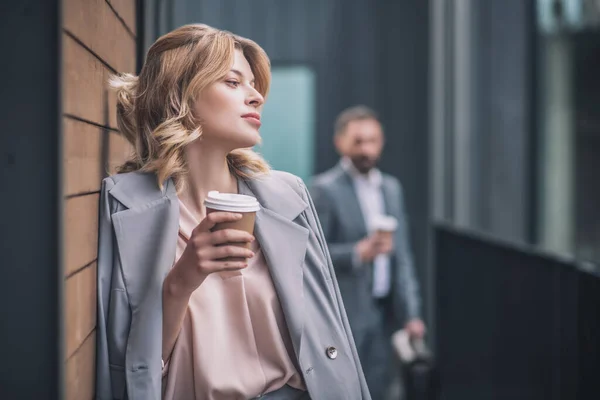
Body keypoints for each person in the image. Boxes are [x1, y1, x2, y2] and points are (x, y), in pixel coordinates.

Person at [95, 24, 370, 400]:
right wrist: (181, 281)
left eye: (255, 85)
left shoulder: (289, 196)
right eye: (233, 82)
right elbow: (130, 370)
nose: (256, 96)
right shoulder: (125, 205)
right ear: (180, 97)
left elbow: (333, 332)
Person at [310, 105, 426, 400]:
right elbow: (311, 256)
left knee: (378, 388)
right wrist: (358, 253)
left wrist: (411, 313)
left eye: (372, 140)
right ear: (340, 142)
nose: (366, 149)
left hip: (384, 312)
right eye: (358, 141)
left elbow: (403, 258)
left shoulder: (390, 188)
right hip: (344, 313)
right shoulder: (324, 189)